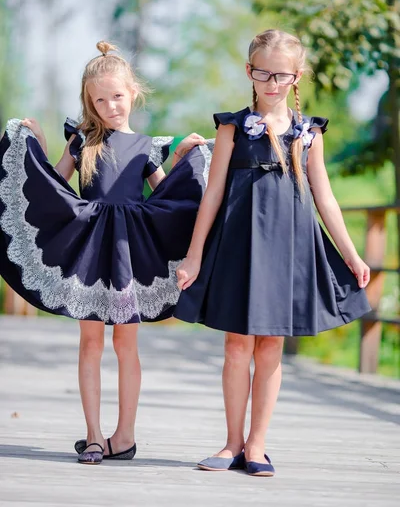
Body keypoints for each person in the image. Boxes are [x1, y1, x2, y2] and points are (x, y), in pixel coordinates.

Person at [0, 41, 212, 464]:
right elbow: (53, 189)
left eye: (117, 95)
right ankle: (94, 435)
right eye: (100, 99)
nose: (110, 105)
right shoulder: (81, 142)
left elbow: (166, 197)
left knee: (126, 344)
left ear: (133, 92)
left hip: (129, 255)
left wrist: (186, 155)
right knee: (90, 342)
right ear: (90, 103)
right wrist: (37, 145)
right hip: (91, 253)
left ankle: (125, 435)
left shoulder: (150, 146)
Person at [174, 29, 371, 477]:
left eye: (281, 74)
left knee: (270, 348)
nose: (272, 81)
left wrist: (353, 255)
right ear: (250, 72)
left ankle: (258, 446)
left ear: (295, 77)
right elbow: (213, 194)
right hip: (240, 244)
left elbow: (326, 199)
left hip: (289, 248)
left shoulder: (309, 132)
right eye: (263, 72)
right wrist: (193, 255)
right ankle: (231, 444)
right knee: (236, 346)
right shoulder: (230, 127)